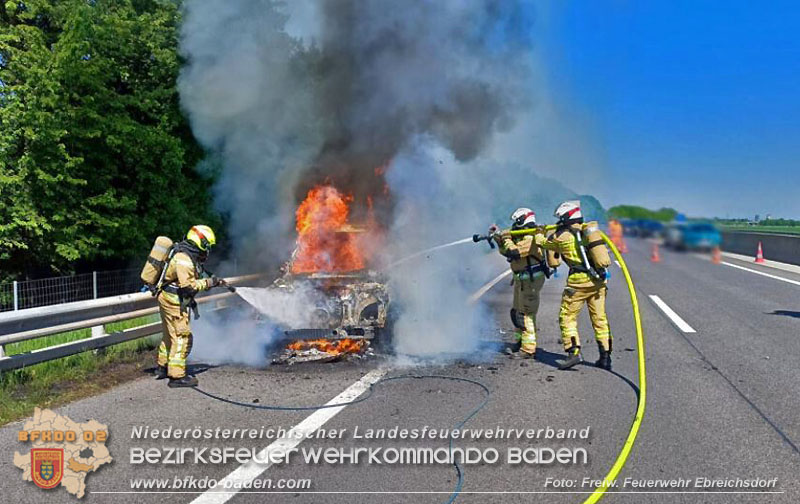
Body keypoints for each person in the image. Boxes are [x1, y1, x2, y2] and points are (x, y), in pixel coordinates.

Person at [534, 201, 613, 370]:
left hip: (578, 283)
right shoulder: (588, 231)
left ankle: (573, 352)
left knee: (567, 317)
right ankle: (605, 357)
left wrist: (539, 232)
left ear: (565, 217)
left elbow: (543, 243)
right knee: (599, 319)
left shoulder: (561, 237)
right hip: (598, 282)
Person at [155, 225, 224, 388]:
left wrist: (213, 279)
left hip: (167, 297)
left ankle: (163, 367)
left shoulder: (185, 253)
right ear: (200, 242)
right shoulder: (184, 260)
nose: (207, 250)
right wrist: (209, 283)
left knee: (170, 334)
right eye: (207, 246)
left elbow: (197, 271)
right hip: (174, 301)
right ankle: (177, 376)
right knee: (182, 337)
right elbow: (189, 287)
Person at [491, 208, 549, 358]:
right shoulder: (521, 236)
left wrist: (506, 238)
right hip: (521, 279)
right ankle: (519, 341)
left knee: (526, 314)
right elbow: (506, 252)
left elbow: (514, 252)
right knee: (517, 312)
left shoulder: (531, 237)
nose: (515, 224)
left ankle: (528, 349)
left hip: (531, 280)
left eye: (517, 221)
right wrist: (499, 239)